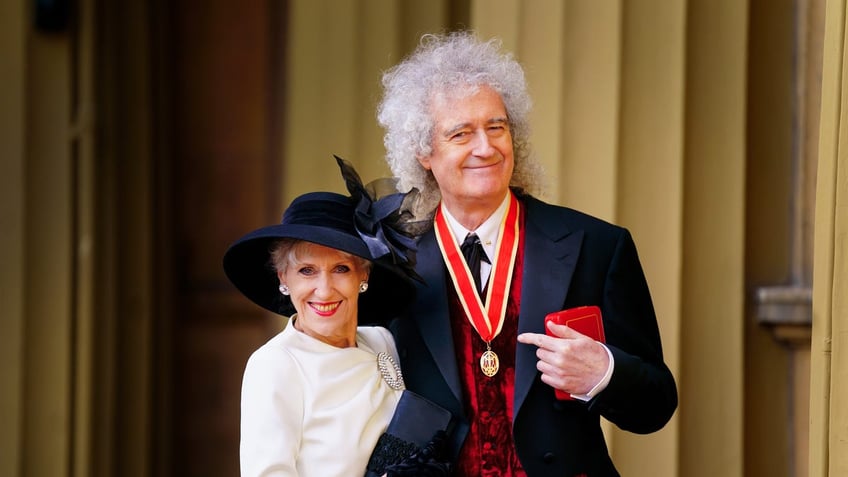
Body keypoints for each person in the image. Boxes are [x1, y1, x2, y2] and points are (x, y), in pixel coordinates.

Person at [377, 31, 678, 476]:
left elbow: (655, 406)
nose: (486, 147)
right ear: (423, 151)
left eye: (496, 127)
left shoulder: (596, 245)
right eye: (461, 133)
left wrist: (604, 373)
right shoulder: (390, 265)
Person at [223, 157, 449, 477]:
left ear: (363, 275)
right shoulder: (275, 365)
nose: (324, 290)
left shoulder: (382, 340)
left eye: (341, 269)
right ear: (283, 278)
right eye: (307, 271)